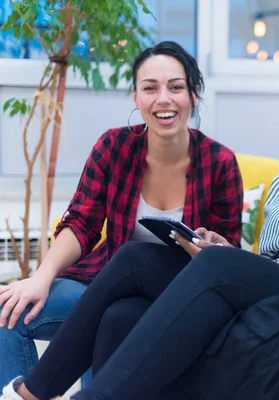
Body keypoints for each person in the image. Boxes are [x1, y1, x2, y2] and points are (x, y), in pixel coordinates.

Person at [2, 52, 279, 400]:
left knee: (147, 261)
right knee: (122, 311)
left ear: (194, 95)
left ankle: (31, 393)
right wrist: (228, 256)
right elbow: (262, 263)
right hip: (248, 291)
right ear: (136, 97)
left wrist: (226, 261)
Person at [0, 41, 244, 388]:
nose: (164, 99)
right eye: (150, 88)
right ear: (135, 97)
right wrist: (40, 277)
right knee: (9, 313)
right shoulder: (113, 146)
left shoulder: (219, 163)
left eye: (176, 87)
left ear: (194, 93)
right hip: (104, 282)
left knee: (112, 321)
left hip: (175, 295)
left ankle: (38, 392)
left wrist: (213, 245)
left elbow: (226, 252)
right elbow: (81, 223)